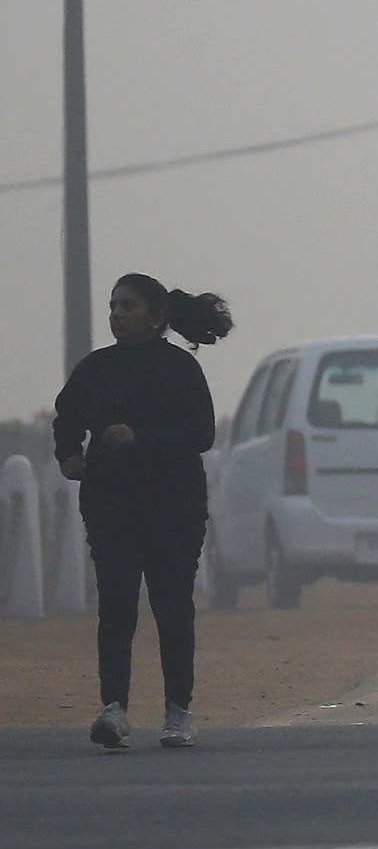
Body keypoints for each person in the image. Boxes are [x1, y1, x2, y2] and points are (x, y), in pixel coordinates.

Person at [55, 273, 232, 750]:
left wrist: (141, 437)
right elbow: (66, 418)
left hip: (174, 507)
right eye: (113, 305)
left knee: (172, 606)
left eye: (127, 306)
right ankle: (113, 708)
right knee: (115, 603)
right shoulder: (95, 368)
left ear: (157, 317)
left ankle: (179, 711)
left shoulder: (180, 370)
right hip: (111, 505)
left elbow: (202, 435)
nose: (116, 314)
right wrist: (68, 454)